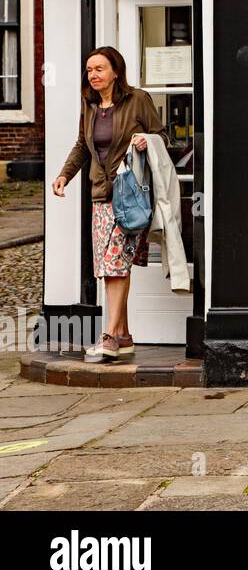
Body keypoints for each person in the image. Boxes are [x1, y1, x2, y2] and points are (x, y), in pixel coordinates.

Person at [52, 46, 165, 363]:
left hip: (131, 196)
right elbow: (81, 146)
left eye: (100, 68)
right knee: (109, 268)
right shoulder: (89, 106)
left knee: (115, 263)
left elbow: (163, 137)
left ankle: (110, 336)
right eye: (89, 70)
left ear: (116, 71)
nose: (93, 74)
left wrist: (147, 141)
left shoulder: (138, 100)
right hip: (100, 197)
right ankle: (125, 337)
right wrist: (64, 175)